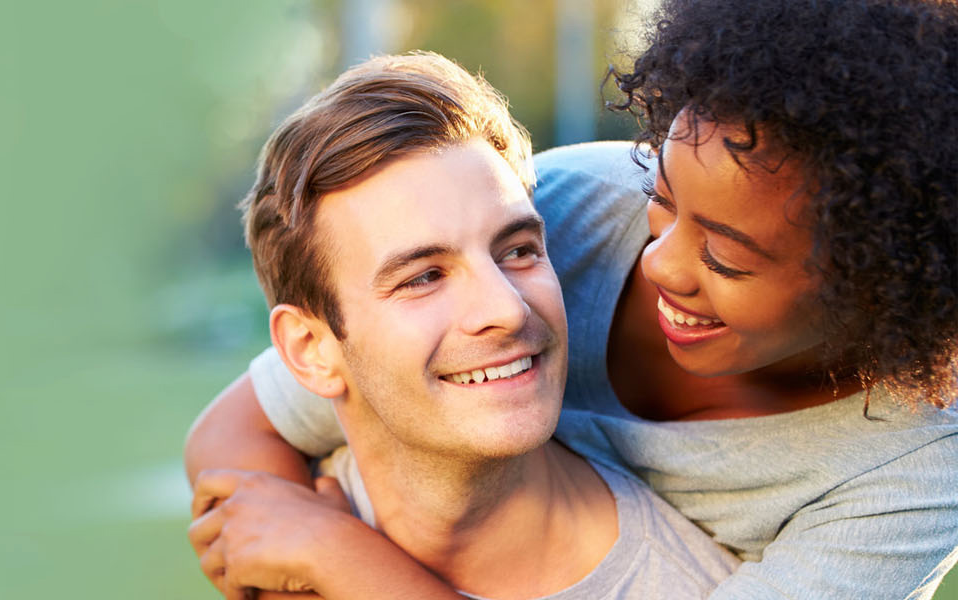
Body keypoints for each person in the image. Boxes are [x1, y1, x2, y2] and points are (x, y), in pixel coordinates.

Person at [185, 0, 958, 598]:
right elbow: (245, 429)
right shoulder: (569, 208)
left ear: (877, 281)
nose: (660, 263)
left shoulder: (917, 467)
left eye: (723, 255)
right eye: (661, 196)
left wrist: (344, 559)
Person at [186, 52, 738, 599]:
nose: (507, 309)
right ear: (310, 351)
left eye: (519, 250)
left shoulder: (697, 586)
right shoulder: (268, 536)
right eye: (424, 276)